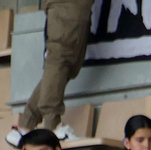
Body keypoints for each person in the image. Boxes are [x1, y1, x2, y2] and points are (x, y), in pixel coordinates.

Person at [15, 0, 93, 136]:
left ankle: (26, 125)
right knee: (61, 57)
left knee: (67, 66)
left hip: (73, 7)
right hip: (67, 6)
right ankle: (53, 127)